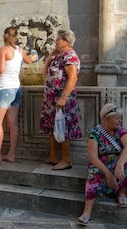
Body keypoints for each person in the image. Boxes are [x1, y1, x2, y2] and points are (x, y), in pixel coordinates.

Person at [78, 103, 127, 226]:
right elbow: (93, 158)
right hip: (101, 164)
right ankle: (87, 212)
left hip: (117, 163)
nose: (119, 121)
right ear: (106, 119)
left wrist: (119, 164)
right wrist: (108, 174)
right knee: (93, 173)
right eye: (116, 118)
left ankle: (122, 192)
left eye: (120, 118)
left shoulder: (122, 131)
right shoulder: (95, 133)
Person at [0, 26, 37, 164]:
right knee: (12, 123)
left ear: (4, 36)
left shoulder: (3, 50)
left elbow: (1, 69)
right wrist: (34, 56)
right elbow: (29, 60)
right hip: (16, 89)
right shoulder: (20, 50)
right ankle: (11, 154)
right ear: (16, 37)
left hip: (5, 88)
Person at [40, 28, 82, 170]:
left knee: (63, 127)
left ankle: (66, 159)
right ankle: (53, 156)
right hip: (52, 98)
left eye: (58, 39)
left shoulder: (70, 56)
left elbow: (73, 78)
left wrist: (63, 97)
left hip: (63, 98)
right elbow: (44, 72)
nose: (55, 41)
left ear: (66, 42)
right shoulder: (58, 56)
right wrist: (50, 57)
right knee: (53, 126)